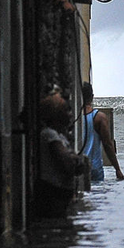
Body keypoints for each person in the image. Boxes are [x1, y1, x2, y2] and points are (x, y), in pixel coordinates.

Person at [34, 89, 89, 219]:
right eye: (66, 110)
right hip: (53, 195)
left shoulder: (59, 136)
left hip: (60, 196)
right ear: (56, 115)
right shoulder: (49, 135)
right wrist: (74, 159)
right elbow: (68, 164)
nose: (70, 115)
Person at [81, 81, 123, 182]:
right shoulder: (99, 117)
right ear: (92, 96)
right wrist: (117, 169)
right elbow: (107, 145)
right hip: (94, 168)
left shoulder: (72, 116)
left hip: (77, 167)